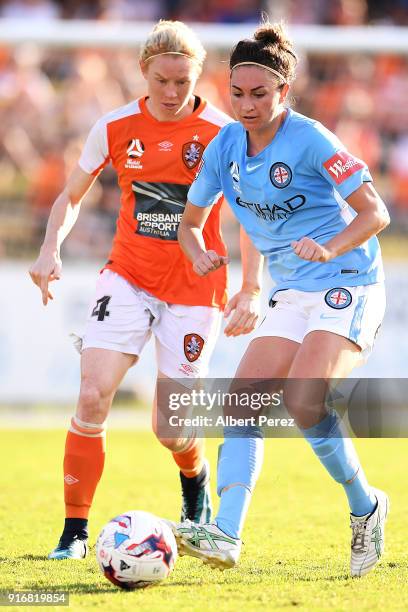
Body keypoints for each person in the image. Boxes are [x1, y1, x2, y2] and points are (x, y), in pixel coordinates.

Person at [29, 20, 263, 560]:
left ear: (198, 76)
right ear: (144, 73)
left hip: (194, 289)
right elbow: (70, 196)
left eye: (184, 81)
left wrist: (250, 288)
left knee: (171, 428)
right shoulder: (114, 127)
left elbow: (249, 219)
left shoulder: (223, 134)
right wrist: (49, 247)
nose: (174, 93)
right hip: (128, 277)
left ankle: (195, 480)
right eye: (163, 81)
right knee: (92, 396)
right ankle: (74, 532)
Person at [174, 21, 390, 578]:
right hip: (291, 291)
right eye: (237, 92)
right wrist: (200, 252)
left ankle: (366, 507)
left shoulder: (313, 138)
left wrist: (329, 246)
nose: (246, 104)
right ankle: (226, 534)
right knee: (240, 402)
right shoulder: (223, 147)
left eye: (260, 94)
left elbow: (375, 213)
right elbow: (192, 221)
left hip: (349, 281)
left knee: (303, 400)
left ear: (283, 93)